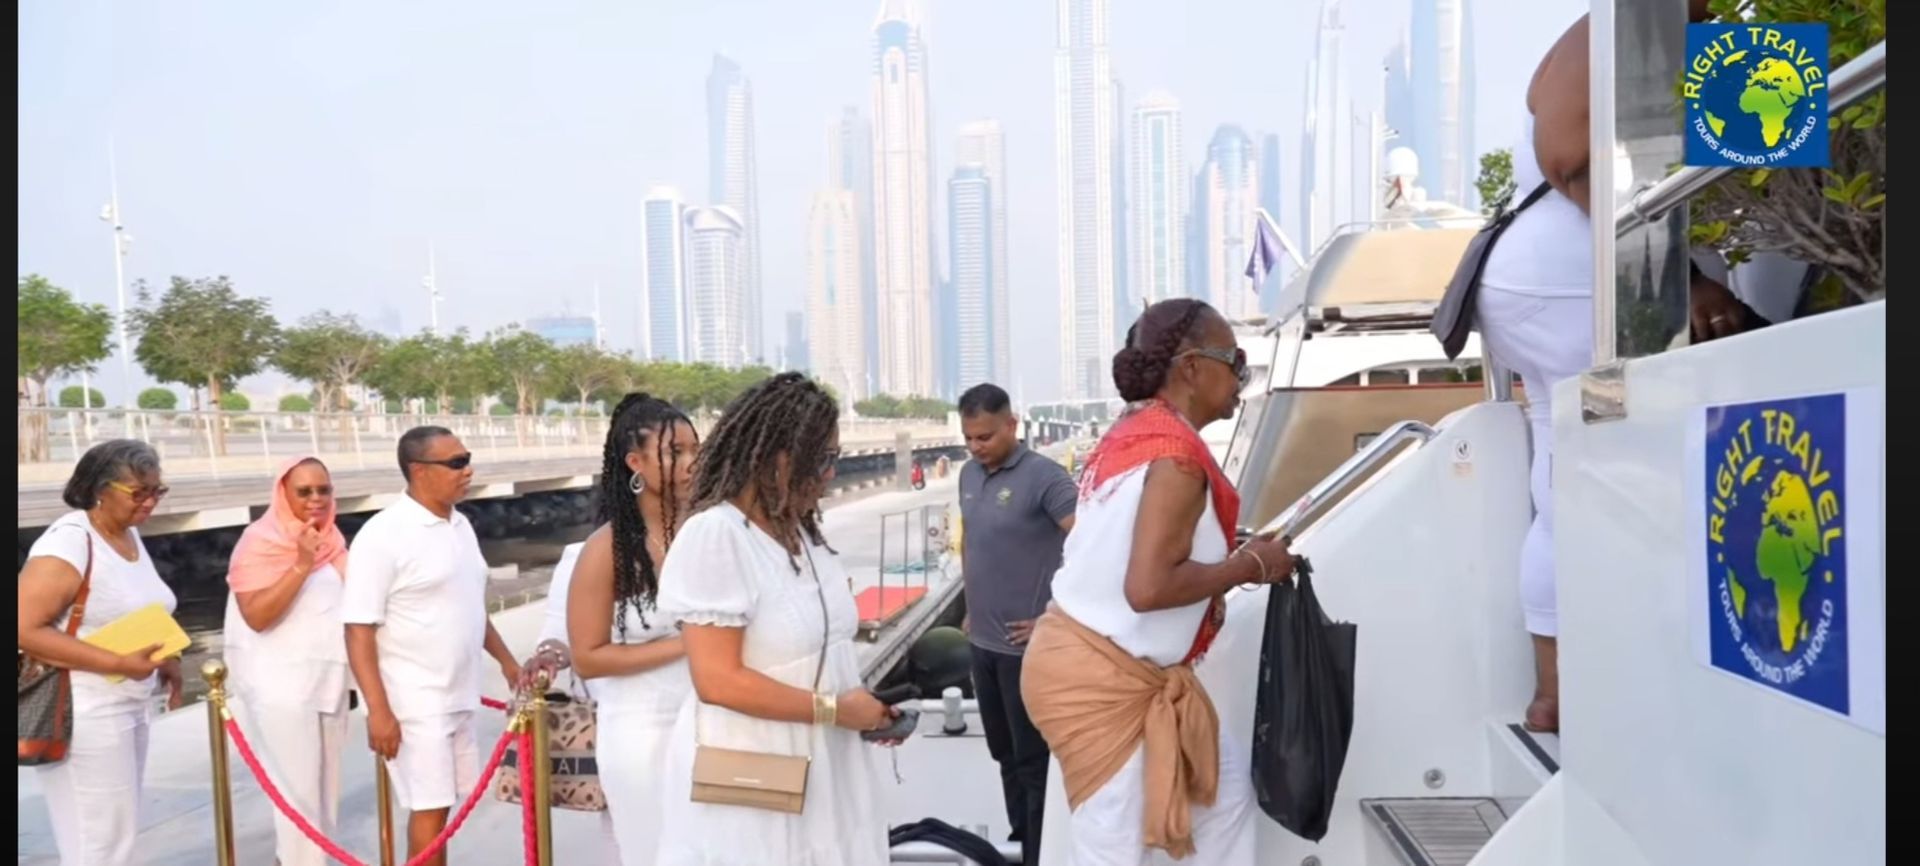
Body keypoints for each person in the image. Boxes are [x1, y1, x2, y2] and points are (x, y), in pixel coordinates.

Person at [1475, 0, 1720, 736]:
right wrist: (1688, 279)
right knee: (1634, 449)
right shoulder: (1625, 24)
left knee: (1565, 468)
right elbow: (1569, 157)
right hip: (1568, 283)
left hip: (1534, 286)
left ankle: (1556, 695)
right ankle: (1638, 678)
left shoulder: (1612, 27)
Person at [1021, 299, 1295, 865]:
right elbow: (1146, 588)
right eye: (1234, 360)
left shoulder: (1133, 433)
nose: (1241, 377)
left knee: (1223, 803)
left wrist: (1232, 551)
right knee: (1114, 845)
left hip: (1099, 662)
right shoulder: (1179, 461)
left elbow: (1138, 547)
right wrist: (1252, 567)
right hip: (1103, 681)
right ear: (1192, 368)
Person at [652, 372, 901, 866]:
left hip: (827, 761)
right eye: (822, 459)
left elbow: (822, 654)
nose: (830, 472)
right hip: (756, 773)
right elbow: (717, 680)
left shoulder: (803, 534)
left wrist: (865, 710)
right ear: (775, 457)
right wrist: (834, 709)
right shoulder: (717, 536)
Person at [520, 393, 700, 866]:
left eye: (694, 450)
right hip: (642, 732)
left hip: (706, 721)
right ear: (635, 463)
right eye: (674, 452)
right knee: (653, 854)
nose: (689, 463)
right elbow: (590, 656)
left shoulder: (707, 533)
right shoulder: (606, 550)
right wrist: (686, 644)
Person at [342, 427, 522, 866]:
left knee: (442, 809)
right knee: (427, 809)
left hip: (457, 693)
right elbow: (358, 628)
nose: (468, 470)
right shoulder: (384, 534)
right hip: (414, 700)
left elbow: (469, 607)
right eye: (456, 463)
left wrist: (507, 663)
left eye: (467, 458)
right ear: (419, 471)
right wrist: (379, 711)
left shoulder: (460, 526)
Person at [18, 439, 185, 866]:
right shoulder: (71, 541)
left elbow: (135, 608)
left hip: (127, 702)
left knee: (117, 837)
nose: (149, 501)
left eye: (157, 491)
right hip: (84, 711)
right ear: (99, 488)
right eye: (139, 492)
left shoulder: (127, 533)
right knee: (99, 845)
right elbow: (23, 627)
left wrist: (168, 659)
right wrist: (118, 664)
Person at [954, 382, 1077, 865]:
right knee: (1003, 755)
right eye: (968, 437)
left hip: (1027, 654)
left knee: (1033, 763)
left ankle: (1039, 852)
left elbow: (1090, 548)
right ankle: (1020, 835)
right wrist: (969, 603)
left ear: (1012, 424)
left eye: (984, 436)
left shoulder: (1046, 479)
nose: (975, 446)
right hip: (982, 646)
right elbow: (971, 545)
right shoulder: (967, 475)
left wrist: (1055, 615)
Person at [223, 456, 353, 866]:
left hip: (328, 685)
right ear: (283, 494)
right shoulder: (260, 541)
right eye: (304, 491)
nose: (316, 499)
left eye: (323, 490)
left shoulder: (331, 539)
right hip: (281, 691)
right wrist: (300, 563)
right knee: (297, 798)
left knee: (324, 796)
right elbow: (258, 617)